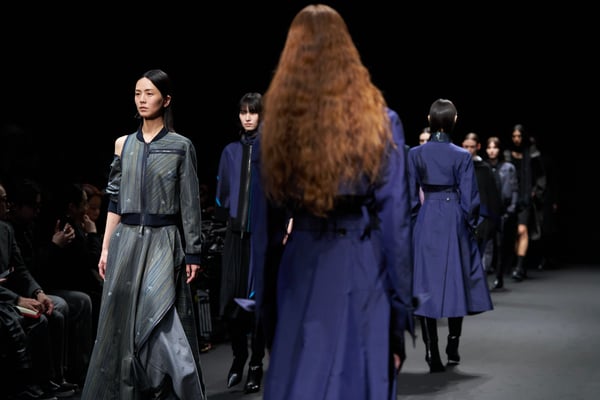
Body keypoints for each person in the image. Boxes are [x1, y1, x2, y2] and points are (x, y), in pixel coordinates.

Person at [254, 5, 414, 399]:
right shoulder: (381, 122)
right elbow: (396, 225)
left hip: (301, 267)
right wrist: (398, 321)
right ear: (348, 52)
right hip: (360, 266)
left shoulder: (274, 130)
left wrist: (269, 317)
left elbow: (266, 234)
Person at [81, 69, 206, 399]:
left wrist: (193, 250)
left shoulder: (181, 146)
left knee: (159, 315)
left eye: (149, 93)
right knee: (121, 325)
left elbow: (190, 203)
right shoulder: (123, 144)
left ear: (166, 100)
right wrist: (105, 248)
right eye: (138, 93)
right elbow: (114, 199)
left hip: (163, 241)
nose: (142, 99)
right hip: (126, 242)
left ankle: (171, 388)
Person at [408, 99, 493, 373]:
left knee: (425, 285)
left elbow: (410, 197)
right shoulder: (462, 156)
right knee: (457, 281)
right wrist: (470, 225)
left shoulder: (415, 154)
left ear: (429, 120)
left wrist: (416, 224)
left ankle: (431, 350)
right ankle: (452, 343)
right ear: (454, 121)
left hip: (426, 219)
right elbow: (470, 198)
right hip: (454, 217)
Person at [215, 92, 266, 394]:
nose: (247, 117)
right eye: (243, 112)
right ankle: (239, 356)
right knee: (231, 303)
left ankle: (256, 364)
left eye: (253, 112)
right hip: (235, 235)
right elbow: (222, 192)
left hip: (262, 235)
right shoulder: (230, 152)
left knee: (257, 305)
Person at [503, 124, 545, 281]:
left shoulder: (532, 153)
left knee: (522, 230)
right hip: (510, 197)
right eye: (514, 136)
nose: (516, 139)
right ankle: (519, 264)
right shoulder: (507, 154)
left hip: (526, 197)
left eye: (519, 136)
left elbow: (541, 174)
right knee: (513, 232)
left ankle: (519, 267)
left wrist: (536, 191)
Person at [461, 132, 502, 270]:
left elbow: (492, 195)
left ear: (478, 146)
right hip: (462, 215)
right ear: (462, 145)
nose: (469, 150)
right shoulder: (458, 166)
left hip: (482, 217)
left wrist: (493, 219)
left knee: (481, 254)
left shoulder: (484, 168)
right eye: (466, 146)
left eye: (472, 147)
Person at [484, 136, 519, 289]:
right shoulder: (483, 167)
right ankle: (484, 277)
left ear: (499, 149)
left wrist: (512, 208)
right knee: (486, 245)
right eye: (489, 147)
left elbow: (514, 188)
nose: (492, 150)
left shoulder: (508, 167)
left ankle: (499, 277)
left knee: (500, 245)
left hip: (502, 211)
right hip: (487, 211)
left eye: (495, 147)